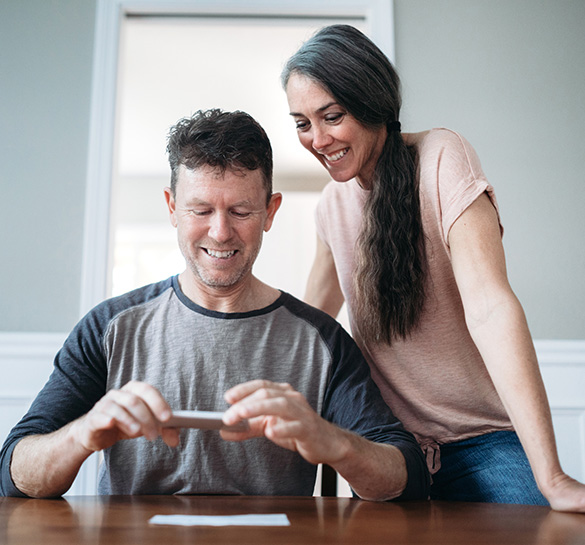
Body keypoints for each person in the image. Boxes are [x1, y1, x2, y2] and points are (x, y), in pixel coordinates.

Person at [0, 109, 429, 501]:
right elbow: (14, 472)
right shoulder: (109, 328)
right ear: (172, 207)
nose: (221, 233)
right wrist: (82, 434)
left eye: (241, 211)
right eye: (200, 209)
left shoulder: (323, 340)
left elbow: (405, 475)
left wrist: (332, 442)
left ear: (270, 211)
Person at [281, 24, 585, 511]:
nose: (317, 139)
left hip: (483, 441)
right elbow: (308, 325)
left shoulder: (443, 158)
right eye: (301, 123)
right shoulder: (330, 207)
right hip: (391, 452)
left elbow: (490, 307)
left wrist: (550, 476)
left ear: (372, 102)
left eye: (331, 116)